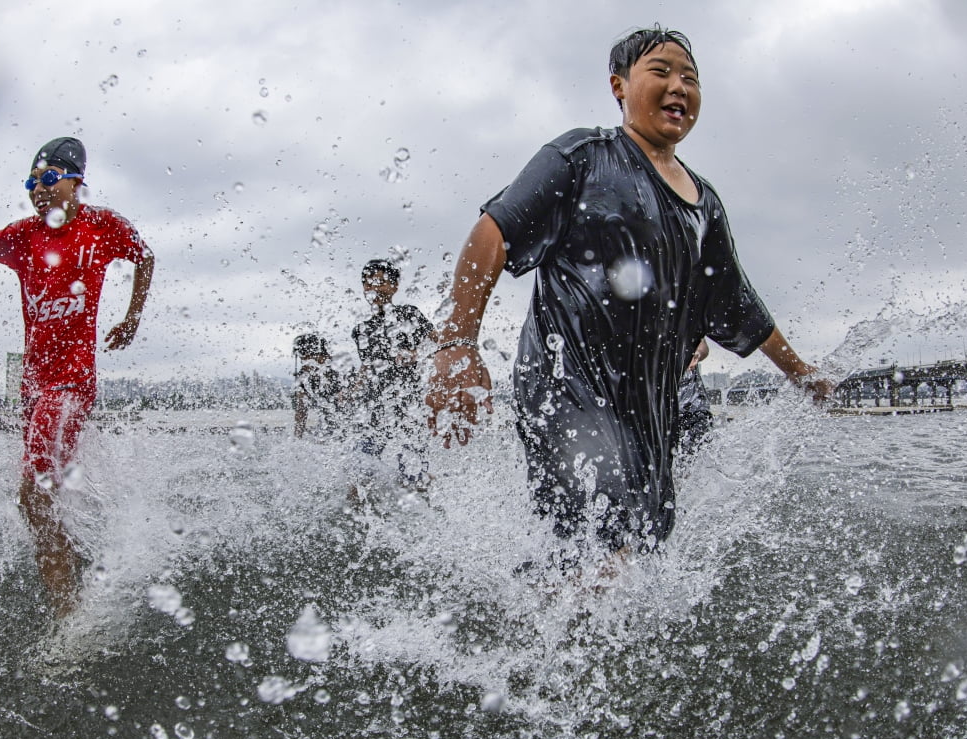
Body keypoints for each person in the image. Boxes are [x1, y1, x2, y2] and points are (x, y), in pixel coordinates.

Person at [426, 27, 831, 559]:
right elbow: (494, 232)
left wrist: (801, 373)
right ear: (619, 86)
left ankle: (540, 626)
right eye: (660, 72)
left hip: (647, 405)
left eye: (691, 78)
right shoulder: (581, 157)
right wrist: (457, 346)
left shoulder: (704, 204)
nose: (678, 87)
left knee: (640, 542)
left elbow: (737, 305)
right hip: (564, 388)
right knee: (604, 528)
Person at [0, 135, 155, 615]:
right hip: (33, 390)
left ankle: (68, 613)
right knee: (40, 498)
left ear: (77, 183)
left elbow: (145, 256)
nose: (39, 189)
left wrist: (132, 317)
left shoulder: (102, 226)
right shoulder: (25, 236)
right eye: (32, 181)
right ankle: (71, 561)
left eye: (50, 179)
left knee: (31, 494)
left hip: (72, 385)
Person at [352, 259, 437, 488]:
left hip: (409, 408)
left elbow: (439, 346)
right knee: (359, 479)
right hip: (373, 410)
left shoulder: (409, 315)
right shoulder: (360, 330)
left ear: (395, 286)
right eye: (367, 283)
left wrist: (414, 354)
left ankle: (424, 503)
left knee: (412, 481)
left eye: (380, 282)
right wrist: (353, 389)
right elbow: (368, 365)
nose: (373, 288)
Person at [292, 333, 346, 440]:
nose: (303, 362)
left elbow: (346, 406)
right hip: (331, 429)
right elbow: (301, 411)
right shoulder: (304, 377)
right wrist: (296, 440)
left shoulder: (338, 372)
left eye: (305, 358)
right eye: (302, 359)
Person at [677, 339, 713, 453]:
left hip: (694, 410)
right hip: (663, 417)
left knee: (690, 459)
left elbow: (702, 347)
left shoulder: (679, 322)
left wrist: (696, 353)